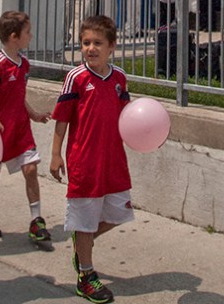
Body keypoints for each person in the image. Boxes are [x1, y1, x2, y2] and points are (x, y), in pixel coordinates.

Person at [50, 15, 132, 304]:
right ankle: (86, 275)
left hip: (113, 159)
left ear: (112, 46)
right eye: (86, 43)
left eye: (97, 43)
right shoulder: (76, 78)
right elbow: (62, 118)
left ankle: (83, 240)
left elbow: (128, 116)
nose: (90, 48)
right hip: (84, 160)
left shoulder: (119, 78)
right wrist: (56, 154)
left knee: (120, 212)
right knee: (84, 218)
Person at [0, 10, 52, 246]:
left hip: (20, 129)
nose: (31, 36)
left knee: (31, 169)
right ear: (14, 37)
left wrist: (33, 114)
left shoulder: (24, 64)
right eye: (28, 32)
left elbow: (19, 95)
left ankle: (37, 221)